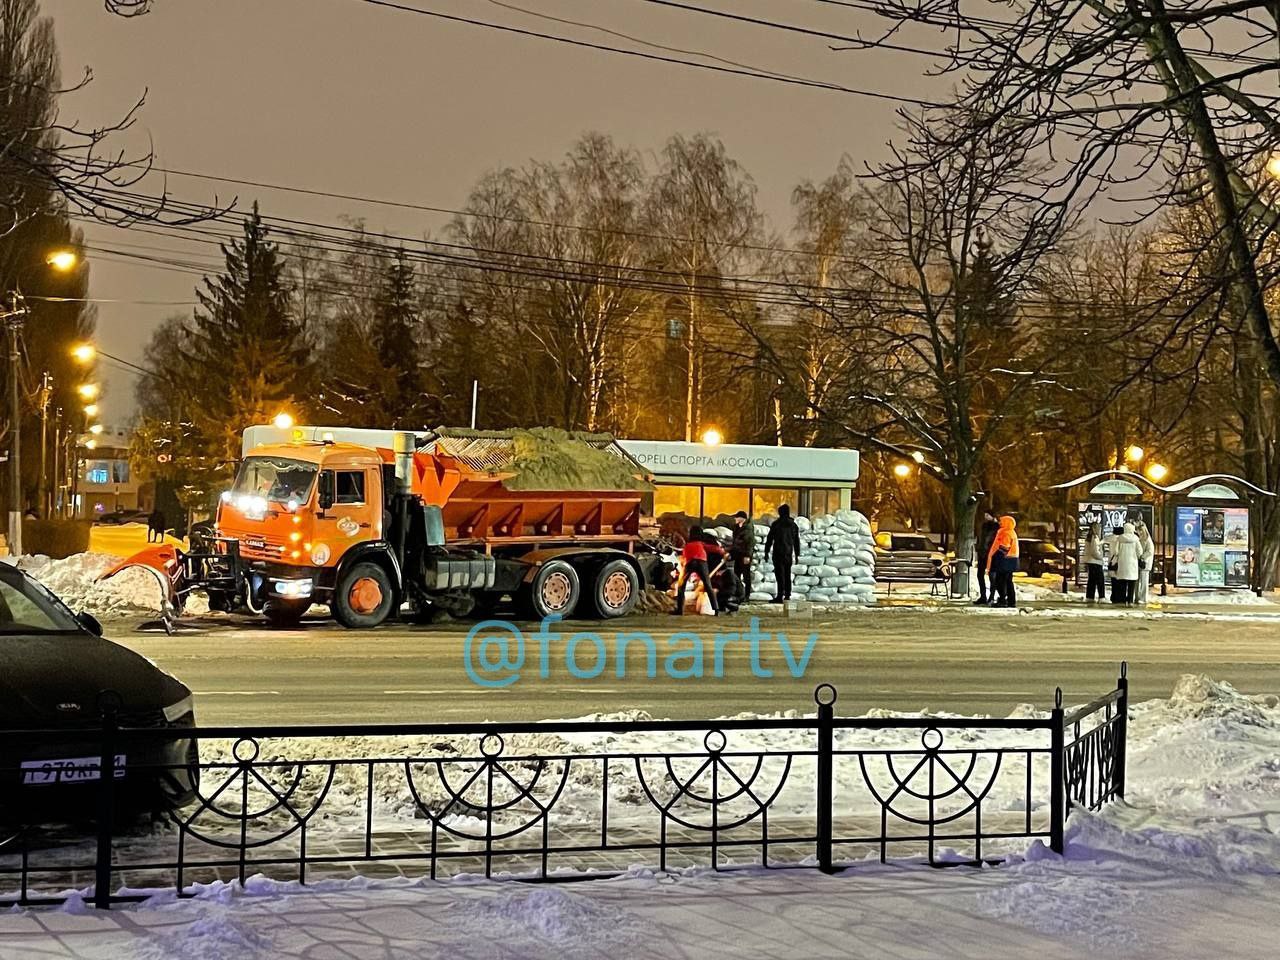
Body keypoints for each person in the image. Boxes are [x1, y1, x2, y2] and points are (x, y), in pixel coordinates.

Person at [673, 525, 718, 616]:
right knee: (708, 586)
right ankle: (716, 609)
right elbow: (714, 549)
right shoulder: (701, 544)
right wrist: (724, 552)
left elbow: (684, 557)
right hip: (702, 562)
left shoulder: (687, 545)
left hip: (690, 563)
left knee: (681, 586)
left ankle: (680, 610)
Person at [764, 504, 802, 603]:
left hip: (778, 553)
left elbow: (769, 539)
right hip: (788, 553)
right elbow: (796, 541)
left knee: (779, 575)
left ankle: (780, 595)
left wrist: (766, 551)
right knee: (787, 574)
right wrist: (797, 554)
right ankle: (787, 595)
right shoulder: (793, 525)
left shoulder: (776, 524)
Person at [986, 515, 1020, 608]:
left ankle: (1003, 600)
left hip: (1005, 561)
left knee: (1000, 581)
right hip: (1010, 561)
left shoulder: (1006, 533)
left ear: (1007, 523)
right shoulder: (1009, 532)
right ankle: (1010, 601)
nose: (1000, 523)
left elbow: (1004, 548)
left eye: (1002, 521)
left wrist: (995, 559)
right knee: (1008, 582)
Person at [1112, 522, 1141, 605]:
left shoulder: (1120, 539)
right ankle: (1130, 600)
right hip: (1132, 564)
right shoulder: (1135, 539)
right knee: (1132, 583)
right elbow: (1140, 552)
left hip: (1122, 563)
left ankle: (1123, 600)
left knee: (1123, 583)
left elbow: (1116, 551)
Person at [729, 511, 756, 602]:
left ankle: (747, 595)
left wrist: (747, 556)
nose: (735, 519)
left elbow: (750, 543)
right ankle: (738, 594)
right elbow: (735, 543)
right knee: (737, 575)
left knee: (746, 575)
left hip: (745, 555)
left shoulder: (748, 529)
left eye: (737, 517)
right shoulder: (737, 528)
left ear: (742, 518)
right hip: (737, 555)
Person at [975, 512, 999, 605]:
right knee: (980, 575)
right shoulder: (984, 526)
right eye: (985, 515)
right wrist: (978, 547)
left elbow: (993, 541)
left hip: (991, 554)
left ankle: (991, 597)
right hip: (982, 553)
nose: (986, 517)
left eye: (988, 515)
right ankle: (983, 596)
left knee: (992, 576)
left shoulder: (997, 527)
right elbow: (981, 538)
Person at [1083, 522, 1106, 602]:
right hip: (1096, 562)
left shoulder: (1089, 537)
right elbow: (1094, 551)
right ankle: (1101, 597)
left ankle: (1090, 597)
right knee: (1100, 580)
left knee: (1092, 580)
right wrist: (1101, 558)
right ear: (1095, 529)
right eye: (1099, 528)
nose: (1100, 530)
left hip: (1091, 561)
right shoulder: (1095, 537)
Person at [1134, 520, 1154, 604]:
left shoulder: (1148, 540)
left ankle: (1143, 598)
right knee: (1137, 581)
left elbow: (1150, 551)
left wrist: (1142, 556)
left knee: (1144, 581)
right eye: (1139, 530)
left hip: (1145, 563)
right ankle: (1137, 597)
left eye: (1141, 530)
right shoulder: (1140, 539)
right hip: (1139, 563)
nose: (1140, 532)